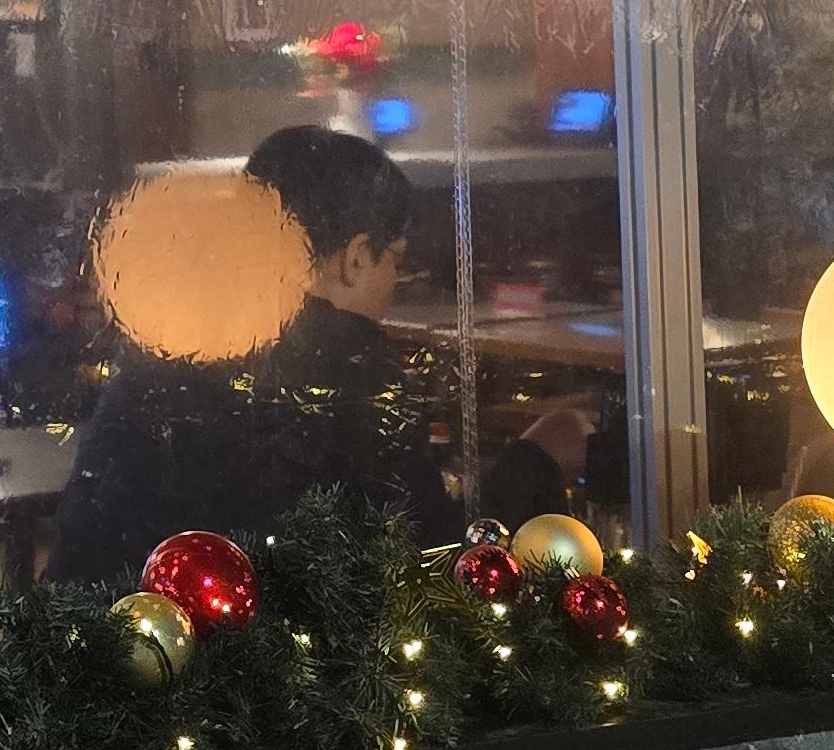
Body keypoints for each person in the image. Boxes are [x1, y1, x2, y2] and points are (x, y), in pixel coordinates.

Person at [53, 125, 593, 581]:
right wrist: (538, 458)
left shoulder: (164, 339)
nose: (394, 284)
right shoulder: (340, 359)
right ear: (356, 257)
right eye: (395, 260)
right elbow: (433, 559)